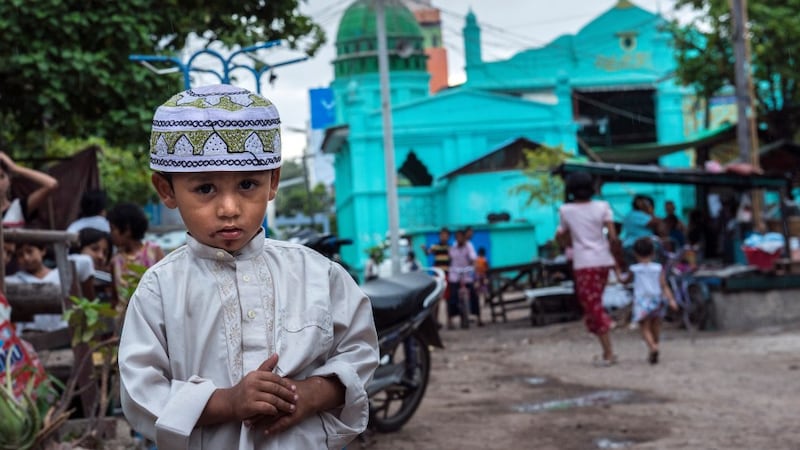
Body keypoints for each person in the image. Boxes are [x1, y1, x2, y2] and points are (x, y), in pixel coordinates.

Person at [118, 84, 379, 450]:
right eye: (205, 188)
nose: (228, 207)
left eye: (246, 184)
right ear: (166, 190)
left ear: (272, 182)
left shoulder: (318, 275)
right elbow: (140, 388)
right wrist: (226, 402)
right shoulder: (160, 289)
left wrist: (310, 395)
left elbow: (361, 351)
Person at [557, 171, 619, 366]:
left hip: (584, 262)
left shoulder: (566, 210)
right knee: (595, 302)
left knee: (591, 305)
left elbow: (562, 238)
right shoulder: (603, 207)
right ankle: (606, 347)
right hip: (603, 260)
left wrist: (564, 241)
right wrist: (618, 263)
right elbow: (613, 237)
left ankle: (608, 350)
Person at [6, 242, 95, 332]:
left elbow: (86, 262)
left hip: (64, 332)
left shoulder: (60, 274)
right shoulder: (14, 280)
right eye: (20, 255)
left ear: (43, 251)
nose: (26, 258)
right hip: (31, 335)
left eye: (30, 251)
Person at [616, 237, 678, 365]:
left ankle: (653, 347)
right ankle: (655, 345)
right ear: (653, 253)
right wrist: (671, 300)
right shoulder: (658, 268)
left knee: (645, 327)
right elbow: (664, 285)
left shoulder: (634, 269)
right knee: (656, 326)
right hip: (657, 300)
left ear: (635, 253)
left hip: (642, 301)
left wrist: (617, 272)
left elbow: (625, 281)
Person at [107, 202, 164, 290]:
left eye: (113, 229)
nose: (111, 234)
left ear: (127, 229)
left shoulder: (154, 251)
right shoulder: (116, 260)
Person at [0, 151, 59, 228]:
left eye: (1, 177)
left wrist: (15, 168)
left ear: (9, 181)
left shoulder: (18, 207)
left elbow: (52, 184)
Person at [448, 229, 481, 328]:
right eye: (457, 237)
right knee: (452, 297)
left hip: (466, 273)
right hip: (455, 274)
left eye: (461, 237)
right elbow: (450, 259)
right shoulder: (453, 247)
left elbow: (473, 258)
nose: (459, 239)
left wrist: (473, 266)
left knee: (474, 296)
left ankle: (478, 317)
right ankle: (451, 319)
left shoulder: (469, 246)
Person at [421, 227, 451, 328]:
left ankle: (449, 320)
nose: (443, 237)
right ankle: (435, 321)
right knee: (437, 299)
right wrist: (425, 249)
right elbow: (427, 253)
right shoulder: (436, 247)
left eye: (445, 235)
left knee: (448, 299)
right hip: (438, 276)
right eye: (442, 235)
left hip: (447, 275)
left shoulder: (450, 248)